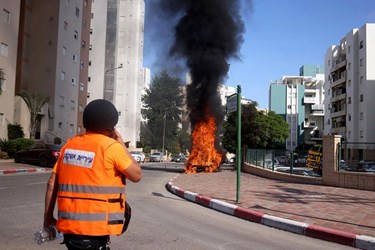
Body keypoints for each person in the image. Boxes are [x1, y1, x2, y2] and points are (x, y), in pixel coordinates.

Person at [43, 99, 142, 250]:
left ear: (85, 122)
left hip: (69, 229)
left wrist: (48, 218)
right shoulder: (111, 147)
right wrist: (121, 143)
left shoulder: (69, 146)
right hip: (97, 230)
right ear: (111, 126)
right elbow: (136, 175)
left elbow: (51, 184)